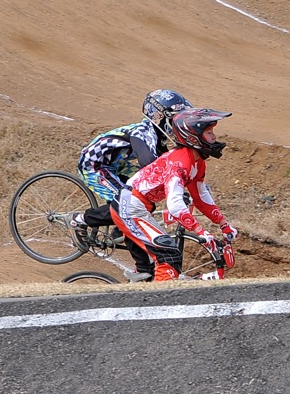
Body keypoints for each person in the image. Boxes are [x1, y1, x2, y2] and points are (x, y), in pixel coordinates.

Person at [68, 89, 193, 279]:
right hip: (95, 164)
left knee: (136, 206)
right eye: (174, 118)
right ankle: (78, 220)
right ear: (158, 116)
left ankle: (128, 242)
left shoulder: (158, 137)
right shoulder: (142, 132)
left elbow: (169, 169)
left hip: (117, 166)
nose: (176, 123)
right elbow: (149, 164)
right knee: (126, 206)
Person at [109, 107, 240, 282]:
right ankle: (156, 305)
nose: (214, 138)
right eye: (209, 132)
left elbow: (201, 198)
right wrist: (200, 231)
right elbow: (175, 205)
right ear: (193, 136)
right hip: (130, 205)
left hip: (139, 206)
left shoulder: (197, 162)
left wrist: (223, 224)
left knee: (169, 256)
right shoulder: (179, 162)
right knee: (168, 255)